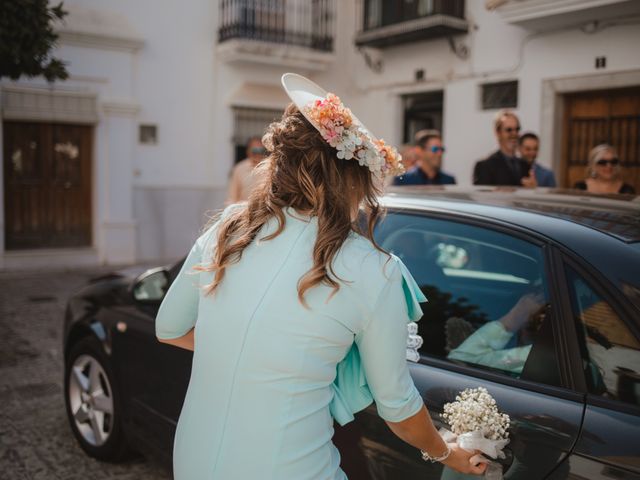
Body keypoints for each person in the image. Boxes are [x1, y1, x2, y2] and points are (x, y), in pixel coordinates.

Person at [155, 73, 486, 479]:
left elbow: (169, 328)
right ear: (353, 178)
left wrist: (249, 354)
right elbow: (397, 408)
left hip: (193, 462)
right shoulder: (373, 269)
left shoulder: (228, 228)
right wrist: (447, 453)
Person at [473, 110, 536, 187]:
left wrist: (532, 189)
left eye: (517, 129)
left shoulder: (525, 165)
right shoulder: (485, 166)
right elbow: (480, 197)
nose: (514, 134)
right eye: (509, 130)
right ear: (498, 133)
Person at [226, 136, 267, 203]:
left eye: (260, 150)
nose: (257, 153)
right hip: (244, 211)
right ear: (248, 150)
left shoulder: (271, 168)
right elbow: (232, 197)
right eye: (254, 149)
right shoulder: (239, 169)